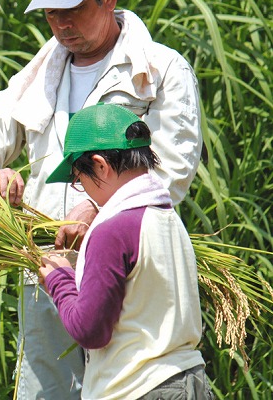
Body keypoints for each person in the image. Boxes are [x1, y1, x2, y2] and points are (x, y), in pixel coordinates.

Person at [0, 0, 202, 398]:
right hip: (49, 274)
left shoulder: (159, 69)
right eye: (50, 13)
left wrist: (94, 214)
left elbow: (171, 172)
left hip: (130, 276)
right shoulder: (38, 75)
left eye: (73, 9)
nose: (61, 24)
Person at [39, 103, 212, 399]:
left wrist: (59, 278)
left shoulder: (112, 231)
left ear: (100, 165)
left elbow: (90, 330)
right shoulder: (169, 219)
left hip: (140, 388)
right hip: (189, 381)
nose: (83, 188)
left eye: (79, 179)